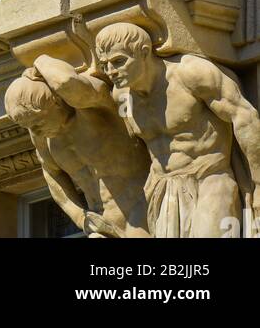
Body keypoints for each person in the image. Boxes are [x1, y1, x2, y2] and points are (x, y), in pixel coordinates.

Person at [96, 22, 260, 238]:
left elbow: (246, 118)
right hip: (163, 191)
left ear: (144, 53)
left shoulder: (190, 73)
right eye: (104, 65)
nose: (111, 72)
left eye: (119, 61)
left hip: (210, 178)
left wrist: (258, 184)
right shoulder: (122, 97)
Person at [5, 57, 150, 237]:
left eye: (37, 122)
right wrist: (80, 217)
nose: (34, 130)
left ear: (56, 101)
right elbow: (52, 174)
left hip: (142, 212)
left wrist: (39, 60)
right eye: (28, 126)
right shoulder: (42, 136)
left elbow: (66, 81)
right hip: (102, 226)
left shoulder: (95, 108)